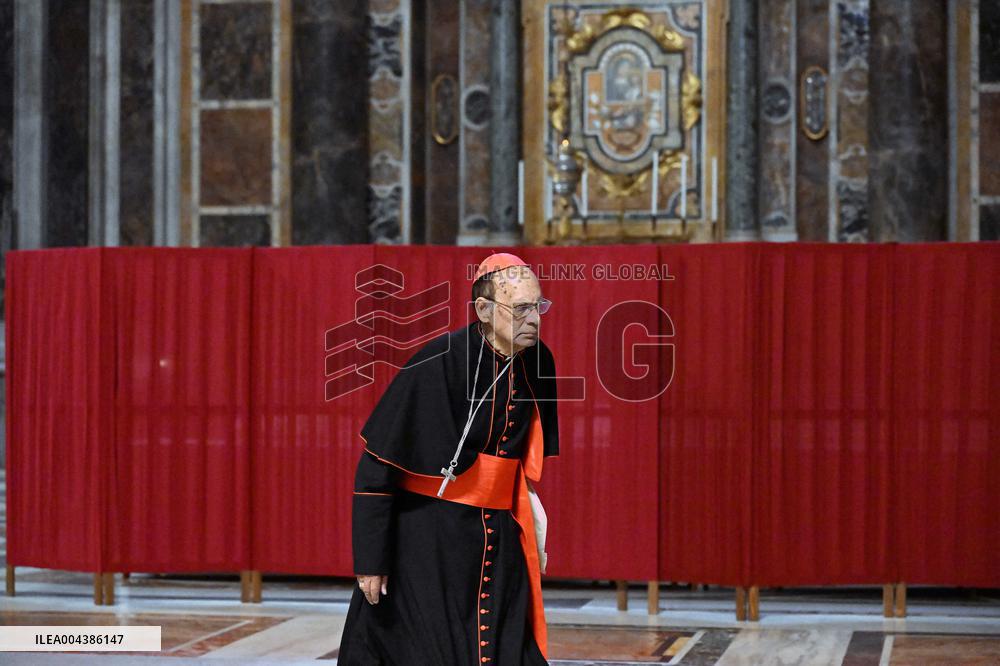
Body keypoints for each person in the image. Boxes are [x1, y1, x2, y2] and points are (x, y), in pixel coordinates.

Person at [337, 252, 560, 665]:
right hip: (430, 542)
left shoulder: (538, 361)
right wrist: (371, 560)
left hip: (499, 536)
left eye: (538, 306)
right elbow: (376, 468)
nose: (534, 319)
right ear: (484, 310)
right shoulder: (437, 361)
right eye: (521, 308)